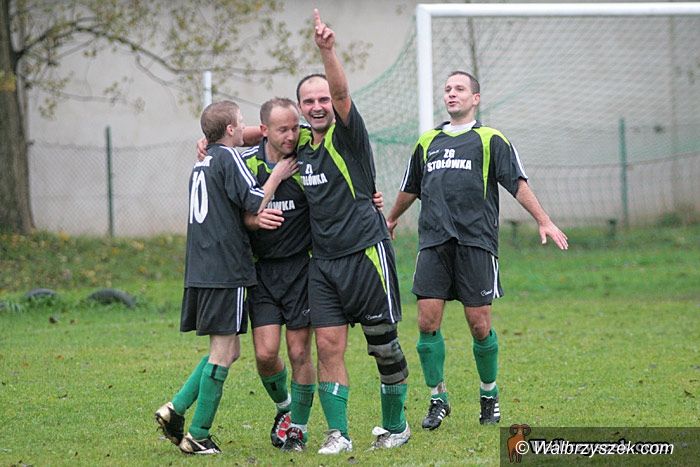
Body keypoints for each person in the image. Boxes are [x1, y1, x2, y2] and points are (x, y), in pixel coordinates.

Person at [386, 71, 569, 430]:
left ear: (475, 98)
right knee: (426, 322)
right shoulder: (427, 141)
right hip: (434, 242)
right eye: (447, 89)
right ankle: (438, 398)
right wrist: (391, 218)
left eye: (459, 89)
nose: (451, 94)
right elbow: (411, 188)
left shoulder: (490, 139)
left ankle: (489, 394)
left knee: (479, 324)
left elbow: (517, 183)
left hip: (476, 242)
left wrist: (543, 220)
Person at [292, 9, 410, 454]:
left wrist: (327, 51)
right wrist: (216, 138)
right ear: (301, 108)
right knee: (327, 346)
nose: (318, 106)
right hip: (323, 264)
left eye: (322, 99)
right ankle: (338, 434)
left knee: (383, 347)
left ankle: (396, 426)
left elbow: (341, 92)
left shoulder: (348, 136)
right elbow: (267, 129)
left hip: (365, 255)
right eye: (309, 101)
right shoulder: (301, 147)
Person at [154, 100, 297, 455]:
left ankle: (175, 409)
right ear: (231, 129)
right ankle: (199, 434)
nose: (245, 128)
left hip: (202, 267)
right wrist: (277, 174)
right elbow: (255, 201)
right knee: (221, 353)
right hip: (226, 269)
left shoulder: (201, 163)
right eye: (241, 122)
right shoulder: (229, 157)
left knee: (230, 350)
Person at [239, 97, 315, 452]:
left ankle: (298, 429)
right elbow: (236, 214)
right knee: (265, 354)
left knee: (299, 353)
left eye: (295, 127)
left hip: (301, 269)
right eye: (283, 129)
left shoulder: (307, 162)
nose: (291, 136)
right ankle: (285, 407)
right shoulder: (247, 164)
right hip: (263, 273)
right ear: (264, 131)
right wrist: (254, 220)